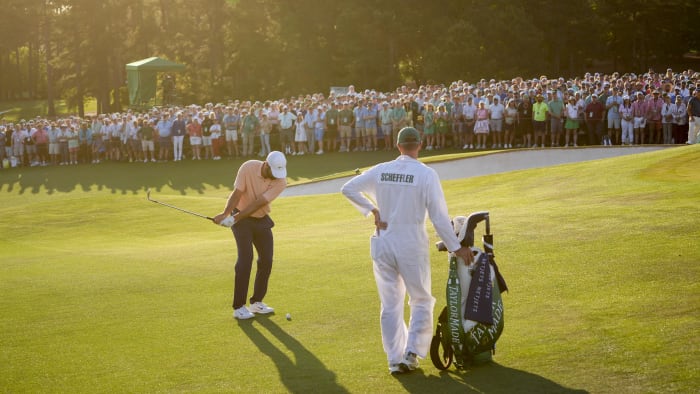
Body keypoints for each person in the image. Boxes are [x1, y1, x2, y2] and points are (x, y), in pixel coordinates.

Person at [340, 127, 473, 375]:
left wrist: (372, 210)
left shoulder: (381, 169)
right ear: (419, 145)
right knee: (421, 299)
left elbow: (347, 188)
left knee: (390, 304)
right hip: (411, 243)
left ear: (398, 146)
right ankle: (411, 353)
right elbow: (439, 217)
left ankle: (394, 359)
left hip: (383, 242)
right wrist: (456, 248)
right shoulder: (426, 174)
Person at [212, 151, 288, 320]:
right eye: (273, 172)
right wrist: (226, 214)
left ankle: (256, 303)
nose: (276, 176)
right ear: (266, 164)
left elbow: (259, 203)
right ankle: (239, 307)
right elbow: (237, 193)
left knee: (266, 260)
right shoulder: (248, 167)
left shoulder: (281, 181)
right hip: (241, 218)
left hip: (260, 218)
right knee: (245, 260)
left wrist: (234, 219)